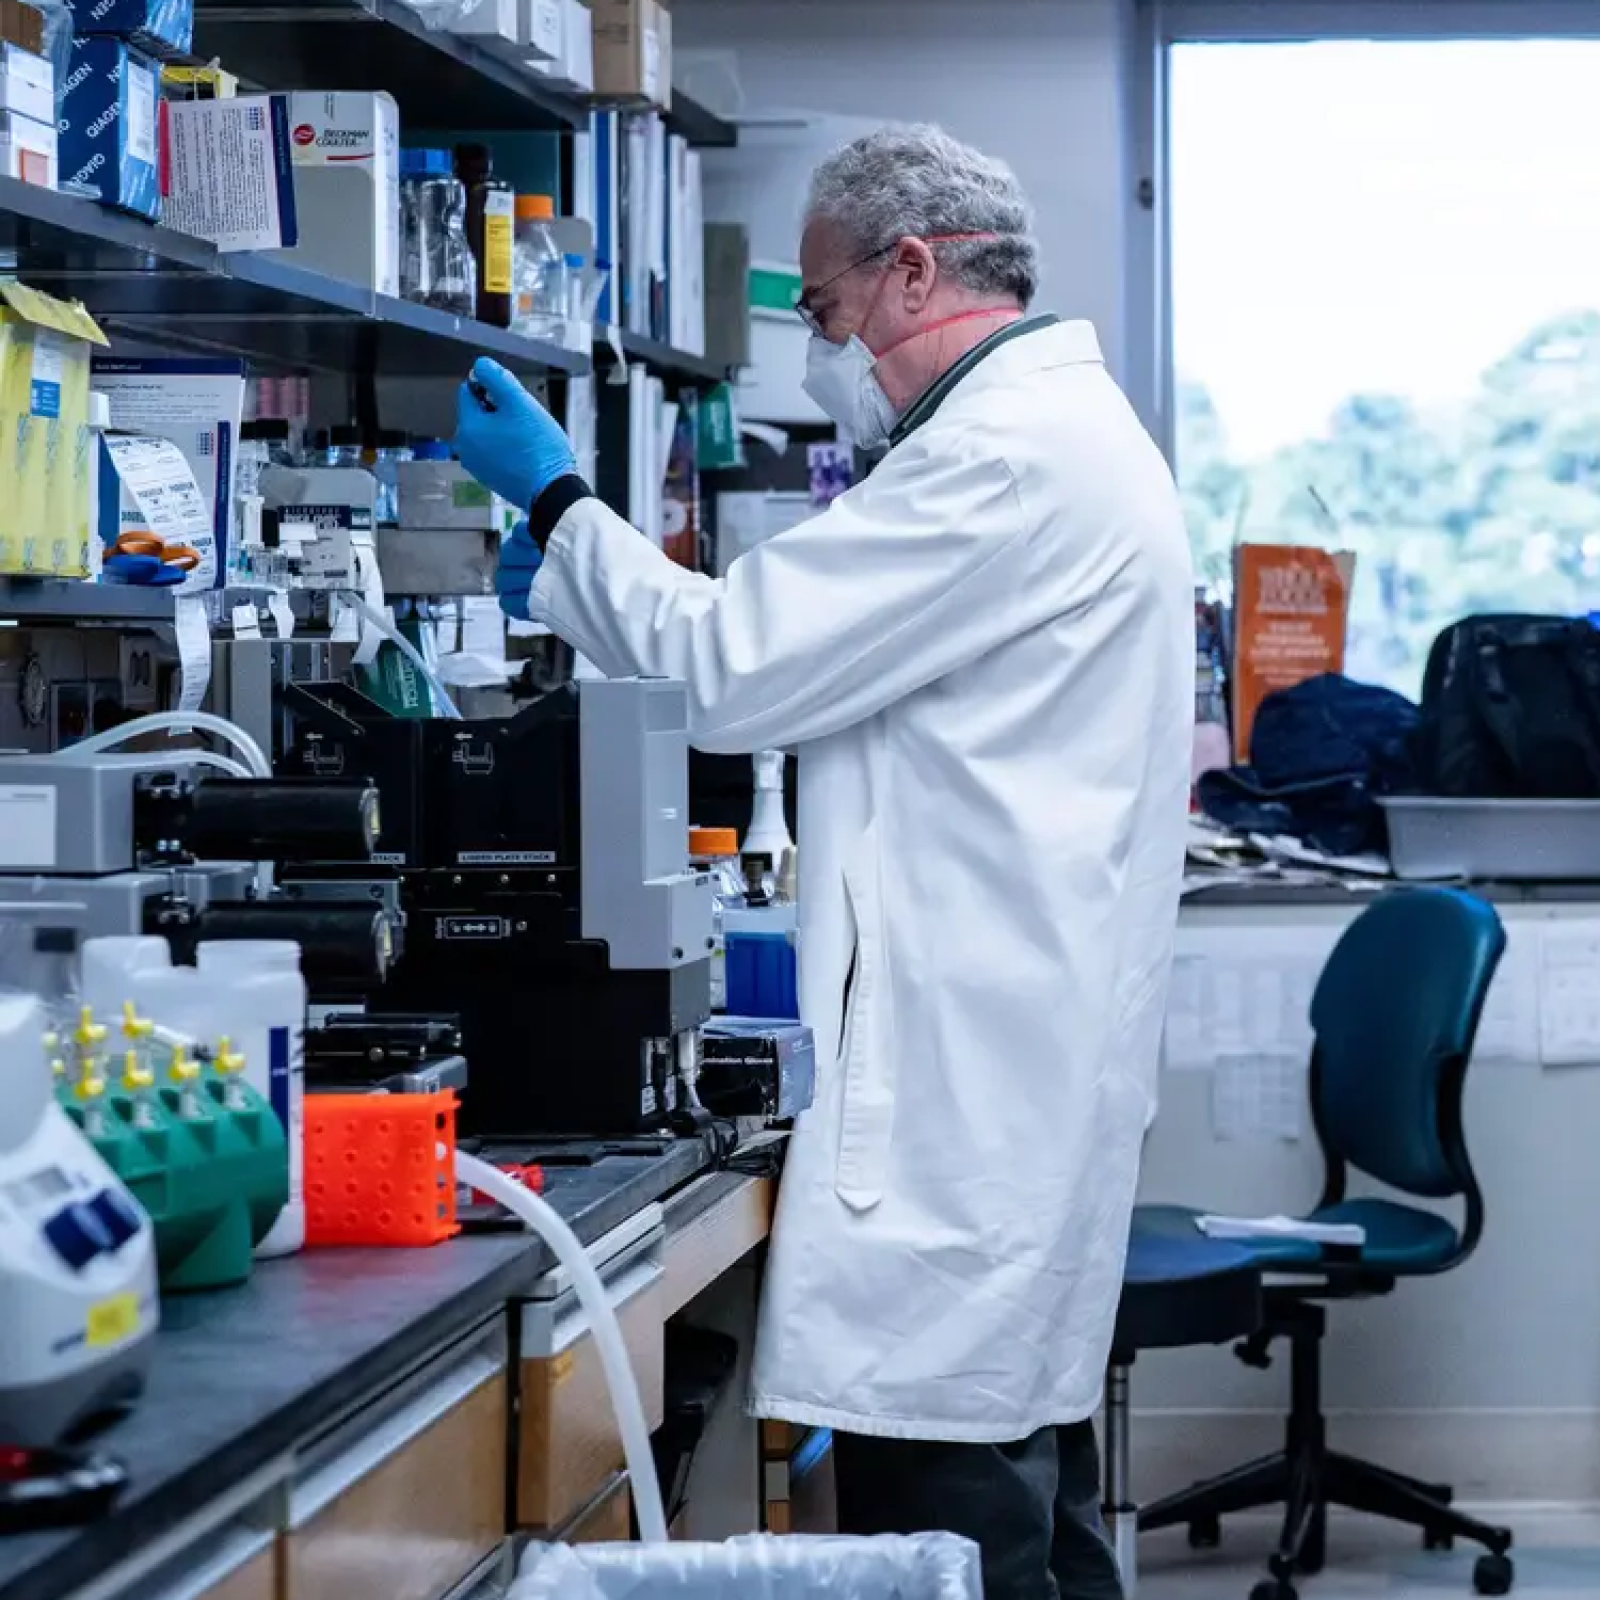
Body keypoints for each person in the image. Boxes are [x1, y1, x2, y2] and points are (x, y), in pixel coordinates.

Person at [454, 124, 1193, 1600]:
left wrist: (555, 500)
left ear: (913, 271)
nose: (823, 348)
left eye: (827, 310)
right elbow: (811, 675)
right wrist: (585, 580)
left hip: (967, 1098)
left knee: (963, 1529)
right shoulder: (1048, 436)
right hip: (1000, 1068)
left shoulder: (1005, 455)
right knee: (1025, 1521)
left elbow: (731, 666)